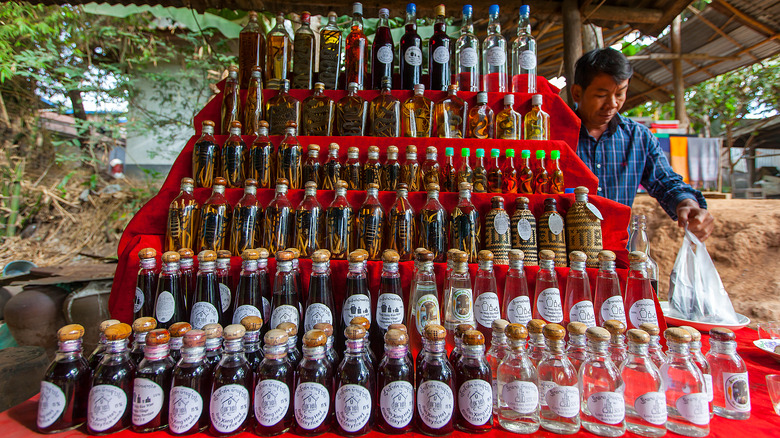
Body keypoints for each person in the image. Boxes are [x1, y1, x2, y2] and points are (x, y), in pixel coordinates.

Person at [571, 48, 714, 241]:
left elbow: (665, 181)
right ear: (577, 93)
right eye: (601, 95)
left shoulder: (638, 137)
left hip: (618, 250)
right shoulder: (553, 136)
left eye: (620, 94)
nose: (612, 103)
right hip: (563, 254)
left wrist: (686, 203)